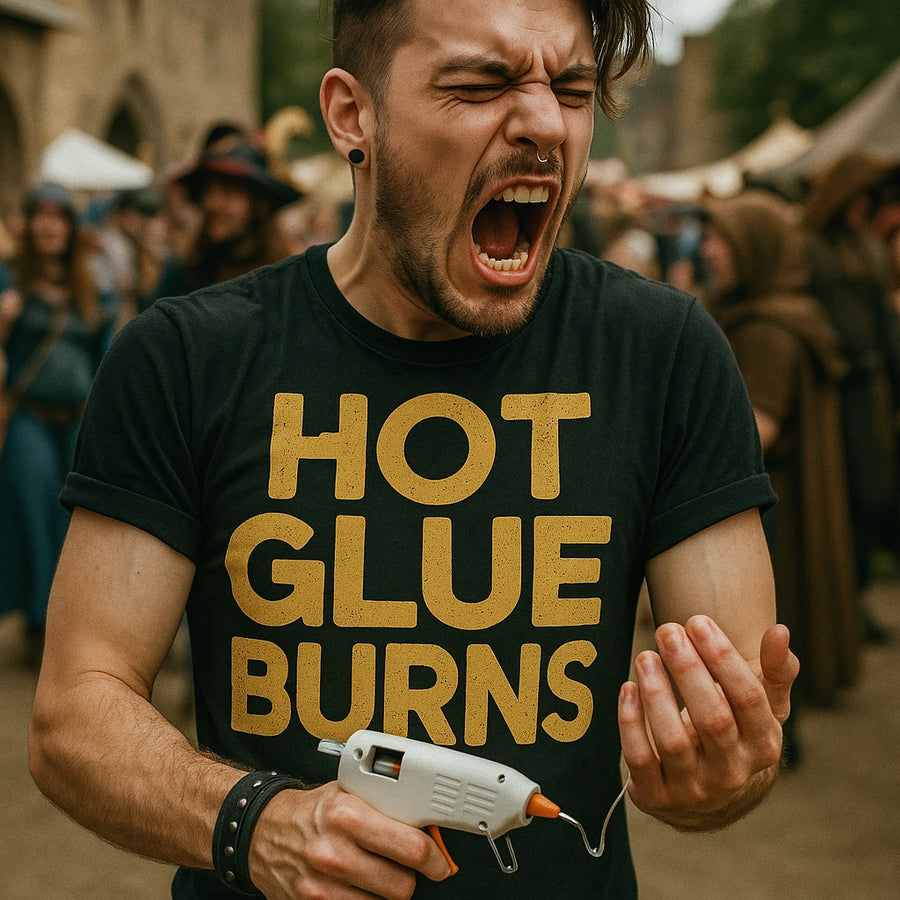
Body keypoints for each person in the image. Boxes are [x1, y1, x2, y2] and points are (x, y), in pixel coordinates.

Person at [29, 3, 798, 899]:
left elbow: (735, 736)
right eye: (480, 85)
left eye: (574, 89)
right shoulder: (187, 357)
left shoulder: (662, 354)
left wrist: (715, 775)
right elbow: (74, 716)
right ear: (354, 116)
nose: (547, 123)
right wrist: (256, 821)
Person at [701, 190, 857, 736]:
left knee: (772, 634)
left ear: (754, 247)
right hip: (778, 496)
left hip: (776, 505)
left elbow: (755, 430)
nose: (709, 249)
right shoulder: (767, 314)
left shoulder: (769, 328)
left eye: (721, 238)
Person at [0, 182, 114, 666]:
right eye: (40, 216)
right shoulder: (9, 281)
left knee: (75, 522)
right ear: (29, 225)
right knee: (34, 512)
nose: (49, 225)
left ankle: (65, 621)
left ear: (70, 226)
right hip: (28, 417)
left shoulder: (90, 285)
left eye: (58, 217)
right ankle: (37, 619)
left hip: (78, 420)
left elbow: (105, 356)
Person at [802, 152, 900, 641]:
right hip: (838, 392)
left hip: (872, 391)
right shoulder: (812, 249)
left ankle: (855, 598)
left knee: (873, 492)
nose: (866, 207)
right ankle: (848, 605)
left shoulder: (865, 249)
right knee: (843, 493)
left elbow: (881, 322)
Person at [152, 137, 302, 300]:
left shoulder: (286, 283)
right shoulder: (183, 278)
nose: (211, 203)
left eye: (227, 191)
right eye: (208, 191)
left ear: (259, 205)